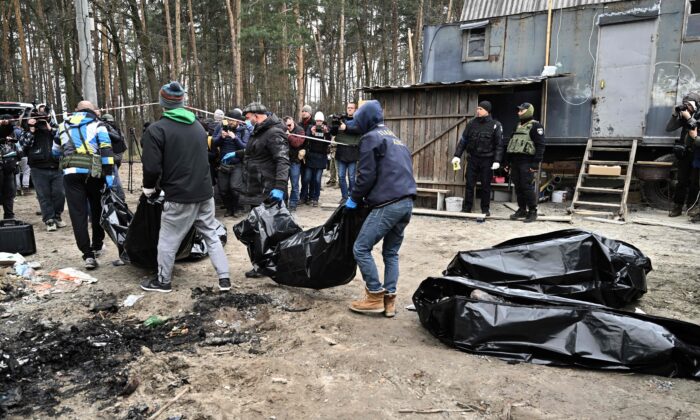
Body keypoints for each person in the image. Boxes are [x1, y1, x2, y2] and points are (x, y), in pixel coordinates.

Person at [140, 81, 231, 292]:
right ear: (182, 101)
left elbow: (152, 167)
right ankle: (224, 278)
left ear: (162, 102)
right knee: (210, 233)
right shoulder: (198, 127)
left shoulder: (156, 130)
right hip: (205, 192)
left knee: (168, 239)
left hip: (179, 195)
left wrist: (148, 188)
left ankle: (163, 281)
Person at [345, 100, 417, 318]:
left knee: (361, 248)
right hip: (407, 203)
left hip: (389, 203)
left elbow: (366, 175)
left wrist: (354, 198)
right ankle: (390, 300)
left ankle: (374, 295)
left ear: (365, 119)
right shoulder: (396, 139)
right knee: (391, 252)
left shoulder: (370, 138)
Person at [221, 102, 289, 278]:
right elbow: (254, 152)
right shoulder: (259, 132)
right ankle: (262, 264)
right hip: (255, 187)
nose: (246, 121)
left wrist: (280, 187)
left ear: (256, 116)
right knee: (258, 228)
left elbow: (282, 160)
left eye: (248, 118)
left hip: (267, 189)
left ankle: (269, 265)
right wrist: (236, 154)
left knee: (267, 229)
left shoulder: (274, 133)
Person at [54, 101, 115, 270]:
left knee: (77, 214)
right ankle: (97, 245)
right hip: (93, 174)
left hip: (71, 174)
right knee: (96, 210)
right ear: (92, 110)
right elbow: (106, 150)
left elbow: (55, 151)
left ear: (77, 110)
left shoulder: (61, 126)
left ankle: (87, 255)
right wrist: (109, 174)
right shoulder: (98, 125)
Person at [451, 101, 503, 215]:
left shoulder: (495, 125)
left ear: (487, 110)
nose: (478, 111)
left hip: (487, 159)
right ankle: (467, 208)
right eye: (477, 108)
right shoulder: (472, 124)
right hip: (473, 158)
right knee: (469, 183)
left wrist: (497, 160)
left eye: (480, 109)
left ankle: (485, 209)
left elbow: (499, 144)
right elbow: (463, 141)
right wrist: (457, 156)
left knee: (486, 185)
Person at [503, 102, 545, 223]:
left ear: (529, 111)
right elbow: (511, 144)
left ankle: (532, 211)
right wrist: (507, 162)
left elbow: (541, 146)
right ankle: (522, 210)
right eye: (519, 110)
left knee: (527, 187)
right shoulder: (517, 126)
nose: (519, 112)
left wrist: (535, 164)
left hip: (527, 162)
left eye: (522, 111)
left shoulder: (536, 126)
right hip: (515, 162)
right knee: (518, 187)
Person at [24, 113, 66, 231]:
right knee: (44, 195)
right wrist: (31, 130)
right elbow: (24, 145)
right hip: (38, 169)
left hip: (57, 166)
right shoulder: (28, 131)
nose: (41, 122)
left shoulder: (55, 129)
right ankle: (49, 220)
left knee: (60, 194)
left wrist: (50, 129)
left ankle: (57, 216)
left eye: (43, 119)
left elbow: (63, 140)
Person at [666, 93, 700, 217]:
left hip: (697, 153)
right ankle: (677, 207)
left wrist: (689, 118)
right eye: (685, 104)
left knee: (694, 182)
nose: (687, 107)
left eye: (689, 104)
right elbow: (669, 128)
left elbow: (695, 127)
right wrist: (675, 115)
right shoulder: (684, 115)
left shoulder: (697, 115)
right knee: (681, 181)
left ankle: (691, 207)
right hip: (684, 153)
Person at [214, 109, 248, 217]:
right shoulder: (221, 128)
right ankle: (229, 209)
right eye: (228, 120)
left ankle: (237, 208)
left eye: (232, 121)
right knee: (223, 189)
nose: (230, 122)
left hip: (237, 164)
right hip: (223, 165)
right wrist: (221, 137)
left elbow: (245, 147)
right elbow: (214, 143)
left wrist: (235, 138)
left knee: (235, 188)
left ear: (238, 121)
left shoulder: (244, 131)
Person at [331, 102, 362, 204]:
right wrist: (335, 124)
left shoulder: (358, 121)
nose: (349, 109)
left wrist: (346, 128)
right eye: (348, 108)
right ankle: (344, 196)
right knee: (340, 176)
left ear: (355, 109)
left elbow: (358, 130)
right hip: (341, 152)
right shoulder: (342, 120)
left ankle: (352, 196)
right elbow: (333, 133)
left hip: (353, 152)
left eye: (351, 108)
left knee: (352, 177)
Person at [100, 114, 127, 201]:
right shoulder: (117, 129)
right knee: (113, 177)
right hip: (118, 157)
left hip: (112, 157)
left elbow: (117, 139)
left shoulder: (107, 128)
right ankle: (117, 196)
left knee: (114, 178)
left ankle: (119, 197)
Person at [284, 116, 306, 211]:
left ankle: (293, 204)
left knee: (295, 183)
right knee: (283, 183)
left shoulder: (300, 130)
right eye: (286, 126)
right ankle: (283, 203)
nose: (288, 127)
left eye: (289, 125)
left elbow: (297, 143)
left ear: (293, 122)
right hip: (284, 160)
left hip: (295, 161)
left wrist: (289, 136)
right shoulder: (282, 129)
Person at [0, 115, 20, 219]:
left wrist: (8, 123)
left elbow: (5, 132)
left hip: (8, 166)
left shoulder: (7, 132)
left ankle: (9, 216)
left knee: (9, 192)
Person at [298, 105, 314, 205]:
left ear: (310, 113)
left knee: (310, 178)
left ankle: (311, 196)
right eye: (303, 111)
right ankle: (303, 196)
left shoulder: (314, 124)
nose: (304, 113)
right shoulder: (299, 124)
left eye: (306, 111)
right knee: (304, 177)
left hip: (311, 154)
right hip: (301, 154)